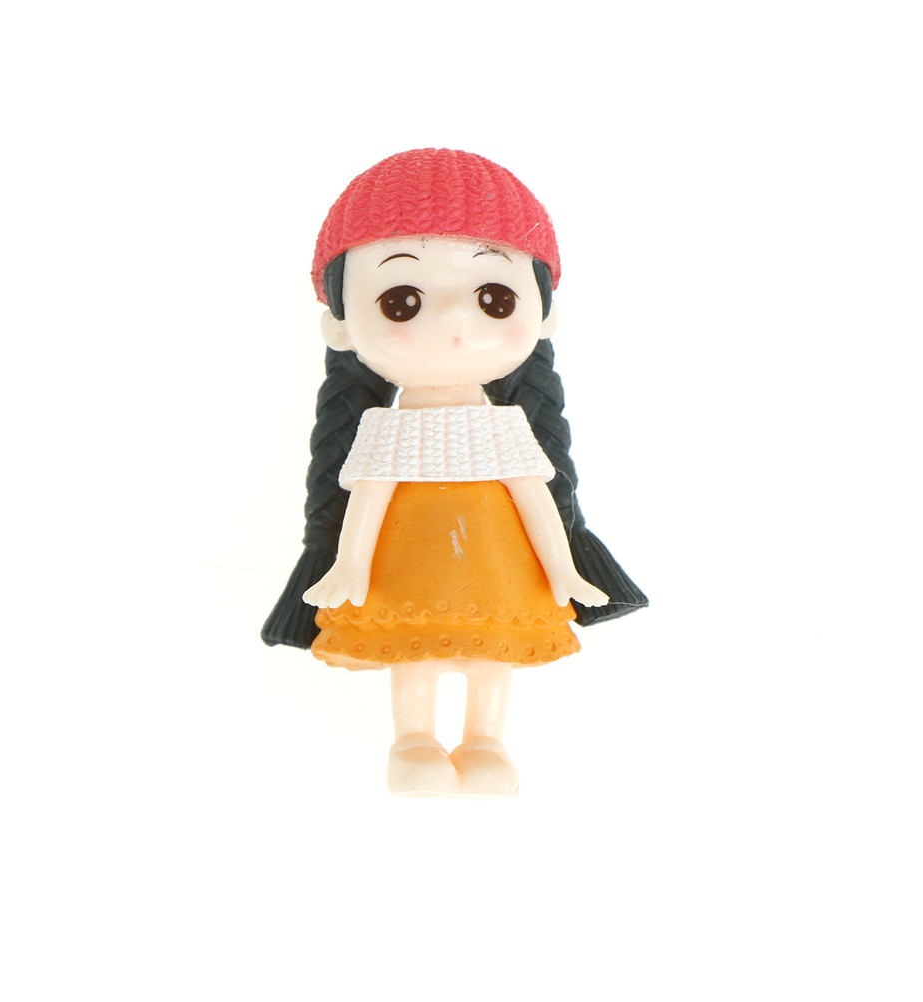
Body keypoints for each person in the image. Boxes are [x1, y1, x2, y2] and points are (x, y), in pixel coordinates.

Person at [262, 148, 647, 796]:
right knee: (413, 655)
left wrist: (562, 567)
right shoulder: (384, 430)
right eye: (401, 300)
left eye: (494, 298)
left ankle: (484, 741)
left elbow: (537, 500)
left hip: (498, 571)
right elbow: (366, 503)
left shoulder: (507, 427)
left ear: (544, 315)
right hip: (408, 570)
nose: (452, 321)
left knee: (490, 658)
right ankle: (413, 740)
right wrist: (350, 565)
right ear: (340, 327)